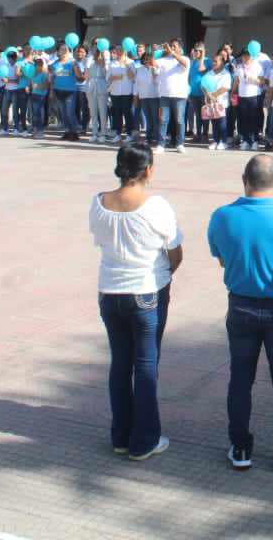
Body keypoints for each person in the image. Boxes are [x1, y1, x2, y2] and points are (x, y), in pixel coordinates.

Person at [208, 154, 273, 473]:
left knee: (241, 378)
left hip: (240, 305)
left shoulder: (222, 217)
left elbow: (222, 259)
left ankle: (240, 447)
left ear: (244, 180)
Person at [92, 142, 184, 461]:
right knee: (145, 365)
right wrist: (165, 273)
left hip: (110, 291)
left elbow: (100, 240)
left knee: (120, 362)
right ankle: (144, 440)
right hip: (146, 291)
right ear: (148, 170)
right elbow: (175, 251)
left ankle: (121, 435)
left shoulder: (98, 202)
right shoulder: (156, 205)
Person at [155, 41, 191, 153]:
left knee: (179, 120)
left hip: (180, 96)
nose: (171, 48)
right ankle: (161, 144)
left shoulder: (185, 59)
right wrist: (154, 51)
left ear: (180, 48)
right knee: (163, 120)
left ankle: (180, 144)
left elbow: (184, 64)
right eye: (171, 46)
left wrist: (172, 52)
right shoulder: (163, 60)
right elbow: (151, 63)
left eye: (174, 46)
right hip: (164, 95)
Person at [202, 54, 233, 150]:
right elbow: (203, 85)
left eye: (216, 61)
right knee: (214, 123)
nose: (213, 63)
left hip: (222, 103)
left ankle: (223, 142)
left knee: (222, 123)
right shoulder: (209, 73)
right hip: (211, 103)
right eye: (213, 61)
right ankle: (216, 140)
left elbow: (225, 88)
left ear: (222, 62)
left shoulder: (226, 74)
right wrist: (208, 95)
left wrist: (213, 95)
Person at [51, 45, 81, 141]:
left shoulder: (73, 62)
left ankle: (74, 132)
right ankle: (67, 131)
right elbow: (52, 78)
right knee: (63, 114)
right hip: (58, 91)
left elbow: (79, 76)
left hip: (70, 91)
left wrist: (75, 67)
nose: (64, 51)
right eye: (62, 49)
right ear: (58, 52)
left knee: (70, 113)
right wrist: (51, 91)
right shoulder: (55, 63)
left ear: (68, 52)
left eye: (66, 50)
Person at [86, 41, 111, 143]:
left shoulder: (106, 59)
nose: (96, 49)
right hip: (91, 86)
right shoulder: (90, 59)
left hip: (102, 86)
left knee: (103, 111)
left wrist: (104, 64)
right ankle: (94, 133)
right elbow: (87, 73)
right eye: (94, 47)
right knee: (93, 112)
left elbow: (107, 74)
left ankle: (104, 133)